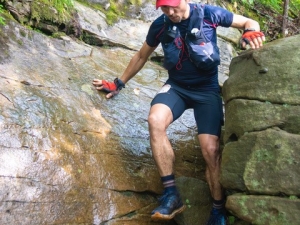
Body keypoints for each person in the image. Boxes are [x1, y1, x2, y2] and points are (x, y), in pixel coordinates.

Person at [93, 0, 265, 224]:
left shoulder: (209, 14)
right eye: (165, 8)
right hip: (177, 87)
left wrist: (251, 31)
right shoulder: (161, 25)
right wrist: (119, 83)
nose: (171, 12)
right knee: (155, 119)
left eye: (174, 6)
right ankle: (171, 194)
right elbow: (141, 56)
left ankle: (217, 209)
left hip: (207, 91)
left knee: (211, 150)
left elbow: (249, 21)